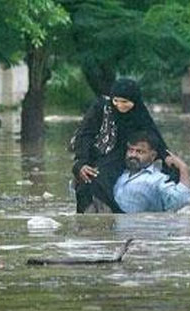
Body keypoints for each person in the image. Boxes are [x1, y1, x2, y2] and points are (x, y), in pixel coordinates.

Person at [71, 78, 171, 213]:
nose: (119, 105)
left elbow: (154, 139)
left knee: (100, 179)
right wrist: (81, 163)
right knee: (84, 182)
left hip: (121, 156)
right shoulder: (101, 108)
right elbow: (85, 135)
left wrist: (168, 160)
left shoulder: (140, 115)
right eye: (116, 101)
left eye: (125, 102)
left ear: (134, 101)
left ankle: (112, 215)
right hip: (94, 153)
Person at [113, 131, 190, 213]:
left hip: (143, 225)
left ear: (153, 156)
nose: (133, 155)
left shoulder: (157, 179)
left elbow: (182, 200)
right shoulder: (120, 175)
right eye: (131, 150)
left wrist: (183, 169)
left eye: (140, 152)